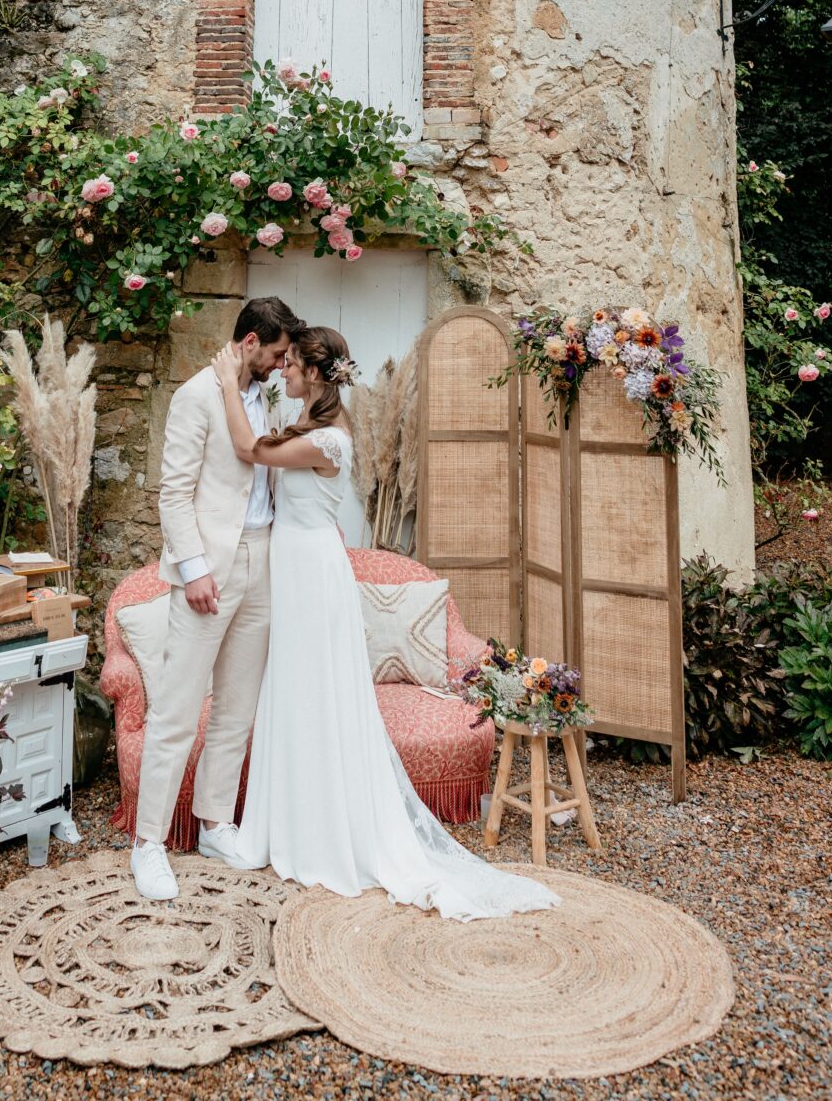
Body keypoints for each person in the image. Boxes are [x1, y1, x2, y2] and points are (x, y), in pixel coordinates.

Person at [207, 324, 560, 921]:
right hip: (296, 568)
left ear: (316, 374)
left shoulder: (329, 442)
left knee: (316, 694)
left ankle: (323, 833)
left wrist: (225, 386)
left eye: (290, 364)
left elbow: (250, 451)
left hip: (313, 576)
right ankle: (296, 819)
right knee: (294, 694)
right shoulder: (315, 430)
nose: (284, 371)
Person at [130, 294, 303, 902]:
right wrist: (196, 569)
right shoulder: (196, 395)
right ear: (251, 342)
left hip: (265, 562)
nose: (285, 366)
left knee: (236, 709)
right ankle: (147, 844)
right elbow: (173, 494)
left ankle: (213, 824)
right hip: (210, 572)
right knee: (176, 710)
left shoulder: (273, 394)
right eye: (278, 354)